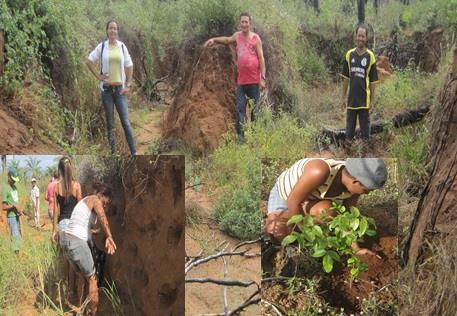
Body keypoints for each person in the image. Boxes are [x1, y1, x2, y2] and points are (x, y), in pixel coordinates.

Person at [265, 158, 387, 258]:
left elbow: (347, 218)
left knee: (327, 211)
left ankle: (305, 227)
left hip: (312, 199)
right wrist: (309, 235)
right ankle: (295, 241)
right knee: (277, 230)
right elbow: (293, 201)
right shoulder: (320, 171)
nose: (367, 194)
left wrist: (356, 248)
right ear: (356, 182)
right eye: (367, 190)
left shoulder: (352, 190)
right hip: (287, 195)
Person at [204, 12, 266, 142]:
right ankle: (241, 139)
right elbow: (227, 40)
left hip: (254, 82)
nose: (244, 24)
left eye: (246, 22)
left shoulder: (256, 38)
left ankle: (255, 139)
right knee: (240, 110)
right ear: (240, 23)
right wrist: (214, 39)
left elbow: (261, 59)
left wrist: (262, 78)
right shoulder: (237, 36)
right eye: (242, 22)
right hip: (241, 83)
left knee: (255, 111)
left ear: (250, 23)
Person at [61, 183, 117, 316]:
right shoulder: (95, 199)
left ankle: (81, 308)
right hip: (76, 241)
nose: (106, 206)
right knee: (93, 279)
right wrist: (110, 236)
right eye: (107, 202)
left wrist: (95, 232)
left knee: (83, 276)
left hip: (66, 241)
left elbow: (83, 226)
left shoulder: (84, 202)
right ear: (102, 195)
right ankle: (94, 313)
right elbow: (103, 217)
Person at [86, 19, 137, 155]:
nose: (113, 30)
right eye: (110, 28)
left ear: (117, 31)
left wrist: (129, 84)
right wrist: (98, 76)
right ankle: (114, 154)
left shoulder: (121, 47)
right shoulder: (102, 47)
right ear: (107, 30)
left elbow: (129, 65)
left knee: (126, 123)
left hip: (120, 90)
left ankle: (134, 154)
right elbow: (89, 61)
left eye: (115, 28)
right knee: (110, 124)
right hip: (107, 91)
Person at [340, 24, 379, 144]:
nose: (360, 38)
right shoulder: (349, 55)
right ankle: (347, 156)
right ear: (355, 37)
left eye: (363, 36)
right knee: (348, 137)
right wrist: (343, 98)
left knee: (366, 138)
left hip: (364, 102)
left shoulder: (370, 56)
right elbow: (346, 78)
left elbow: (372, 81)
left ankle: (365, 156)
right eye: (359, 35)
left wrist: (372, 100)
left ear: (366, 38)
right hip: (351, 101)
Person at [52, 157, 82, 306]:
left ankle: (67, 291)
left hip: (63, 225)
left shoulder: (57, 187)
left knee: (66, 259)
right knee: (74, 260)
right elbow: (80, 208)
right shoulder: (77, 186)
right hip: (75, 225)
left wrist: (54, 230)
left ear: (60, 170)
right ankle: (73, 290)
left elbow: (56, 211)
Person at [2, 168, 24, 254]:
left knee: (18, 236)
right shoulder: (6, 189)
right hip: (11, 217)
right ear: (9, 178)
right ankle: (16, 257)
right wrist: (13, 206)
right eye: (13, 180)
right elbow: (3, 207)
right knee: (15, 236)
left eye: (15, 180)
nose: (14, 182)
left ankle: (17, 255)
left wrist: (20, 209)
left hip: (17, 216)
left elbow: (16, 202)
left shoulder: (15, 188)